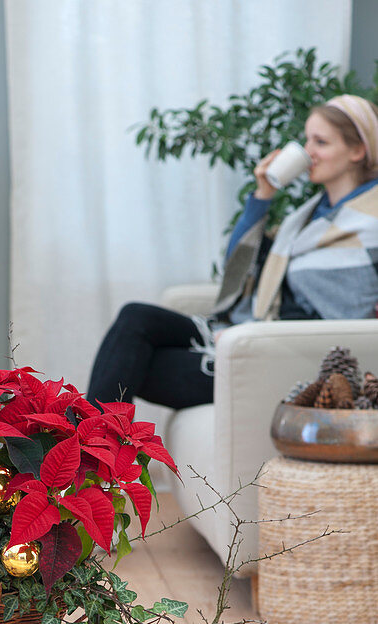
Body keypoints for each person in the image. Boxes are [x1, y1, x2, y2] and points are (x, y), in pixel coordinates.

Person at [86, 94, 378, 410]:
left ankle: (86, 451)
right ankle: (91, 451)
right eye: (307, 140)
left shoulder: (370, 223)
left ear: (358, 150)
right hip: (252, 333)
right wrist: (263, 194)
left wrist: (252, 334)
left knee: (131, 366)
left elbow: (341, 319)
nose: (308, 153)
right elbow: (238, 269)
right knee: (135, 318)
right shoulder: (307, 218)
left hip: (288, 355)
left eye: (320, 142)